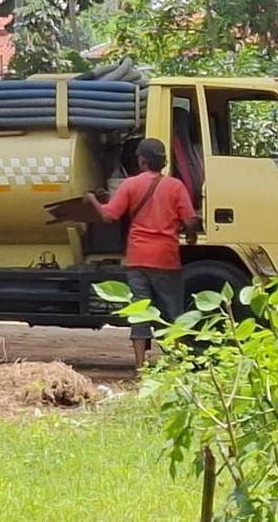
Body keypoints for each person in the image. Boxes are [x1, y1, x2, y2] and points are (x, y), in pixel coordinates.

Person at [85, 138, 199, 368]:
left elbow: (109, 216)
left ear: (142, 160)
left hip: (137, 258)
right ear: (164, 161)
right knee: (173, 311)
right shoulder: (176, 186)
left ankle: (140, 367)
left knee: (140, 310)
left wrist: (92, 201)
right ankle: (176, 365)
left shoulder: (130, 185)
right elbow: (189, 221)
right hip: (166, 259)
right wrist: (192, 236)